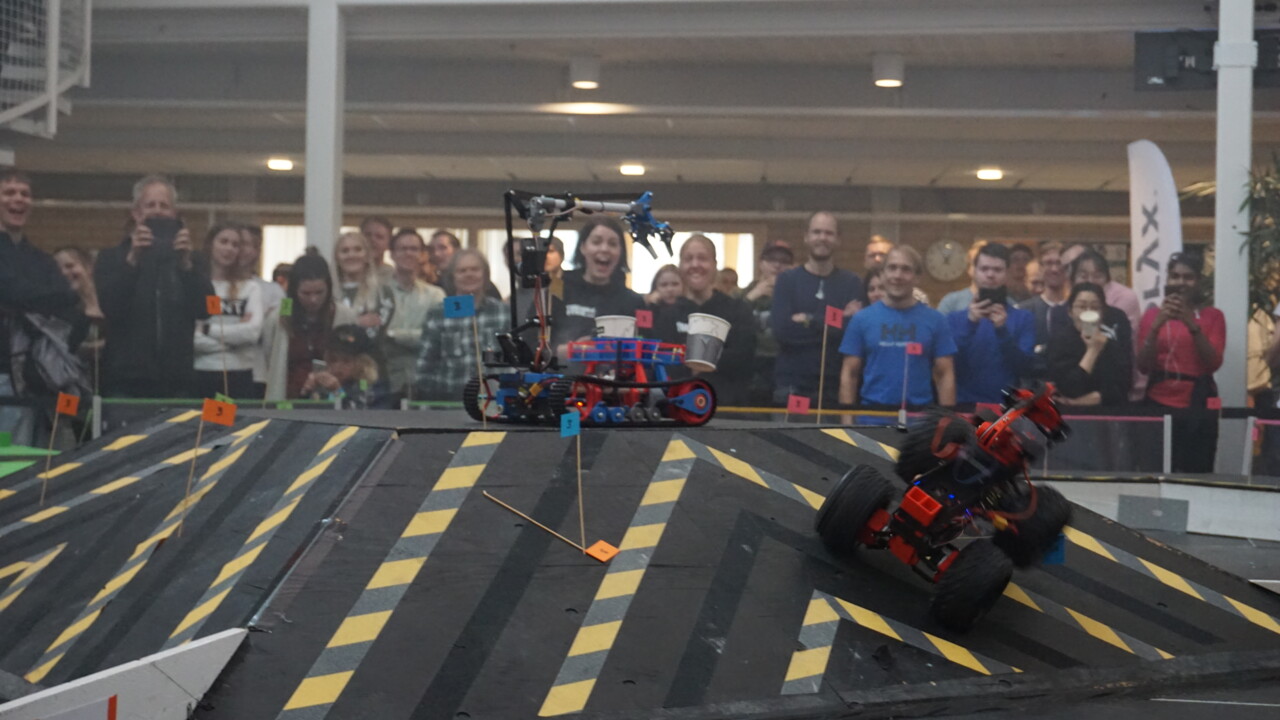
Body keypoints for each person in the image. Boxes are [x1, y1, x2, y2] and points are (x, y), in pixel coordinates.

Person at [95, 174, 214, 397]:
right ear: (136, 213)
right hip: (125, 380)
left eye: (164, 206)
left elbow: (208, 309)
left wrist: (186, 266)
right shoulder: (112, 258)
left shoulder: (193, 260)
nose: (158, 211)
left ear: (175, 213)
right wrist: (133, 260)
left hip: (178, 381)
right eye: (150, 205)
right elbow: (109, 307)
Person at [0, 170, 83, 445]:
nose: (18, 199)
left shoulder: (41, 260)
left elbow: (68, 308)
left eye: (25, 194)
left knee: (40, 460)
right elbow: (13, 290)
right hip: (4, 376)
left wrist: (31, 300)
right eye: (9, 193)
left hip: (41, 380)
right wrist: (53, 298)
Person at [1137, 251, 1225, 473]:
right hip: (1158, 402)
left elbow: (1213, 362)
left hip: (1198, 405)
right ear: (1167, 280)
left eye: (1188, 277)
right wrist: (1156, 326)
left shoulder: (1213, 316)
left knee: (1196, 472)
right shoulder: (1152, 316)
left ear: (1198, 281)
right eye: (1175, 276)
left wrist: (1191, 323)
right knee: (1154, 469)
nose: (1181, 282)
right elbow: (1143, 366)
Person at [839, 246, 955, 409]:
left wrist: (947, 419)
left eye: (906, 269)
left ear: (917, 277)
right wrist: (846, 416)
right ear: (882, 274)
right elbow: (849, 374)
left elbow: (944, 374)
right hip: (872, 415)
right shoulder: (861, 319)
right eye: (892, 268)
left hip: (920, 415)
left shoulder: (936, 320)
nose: (897, 275)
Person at [772, 212, 863, 405]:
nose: (822, 238)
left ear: (838, 239)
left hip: (836, 389)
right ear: (806, 237)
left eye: (829, 233)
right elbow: (782, 332)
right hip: (792, 389)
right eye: (817, 232)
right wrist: (838, 318)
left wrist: (809, 319)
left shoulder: (852, 283)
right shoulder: (787, 281)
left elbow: (852, 331)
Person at [653, 235, 757, 405]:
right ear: (681, 266)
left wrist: (695, 359)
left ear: (714, 265)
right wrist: (713, 357)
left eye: (702, 258)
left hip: (728, 407)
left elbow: (744, 358)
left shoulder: (737, 310)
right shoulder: (667, 315)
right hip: (679, 405)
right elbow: (664, 363)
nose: (695, 264)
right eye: (688, 259)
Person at [946, 243, 1037, 405]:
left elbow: (1025, 368)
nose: (990, 275)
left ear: (1007, 274)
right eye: (984, 269)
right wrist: (970, 324)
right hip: (964, 406)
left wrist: (1002, 331)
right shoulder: (954, 319)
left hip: (1007, 407)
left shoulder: (1024, 318)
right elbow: (947, 365)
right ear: (974, 271)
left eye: (997, 270)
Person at [415, 249, 508, 400]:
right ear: (452, 277)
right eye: (462, 271)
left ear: (485, 275)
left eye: (475, 269)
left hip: (495, 400)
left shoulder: (504, 312)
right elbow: (424, 367)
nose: (469, 274)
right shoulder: (438, 314)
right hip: (450, 402)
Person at [263, 255, 358, 401]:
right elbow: (269, 354)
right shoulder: (279, 317)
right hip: (288, 400)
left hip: (335, 399)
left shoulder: (345, 315)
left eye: (319, 292)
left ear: (329, 289)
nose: (313, 299)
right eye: (306, 293)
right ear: (294, 291)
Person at [549, 216, 645, 357]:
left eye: (613, 244)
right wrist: (573, 350)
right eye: (596, 242)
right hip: (562, 369)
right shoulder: (557, 287)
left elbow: (646, 347)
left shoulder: (633, 301)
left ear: (621, 252)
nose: (605, 249)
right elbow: (534, 343)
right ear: (583, 247)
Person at [192, 224, 265, 399]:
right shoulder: (195, 285)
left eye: (235, 245)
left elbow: (252, 333)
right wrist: (234, 342)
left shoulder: (250, 288)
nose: (229, 249)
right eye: (224, 242)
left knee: (235, 418)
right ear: (211, 244)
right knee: (208, 418)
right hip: (203, 371)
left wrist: (208, 329)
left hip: (239, 375)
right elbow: (190, 337)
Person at [1046, 283, 1133, 406]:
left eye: (1095, 307)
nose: (1088, 312)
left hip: (1106, 412)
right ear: (1070, 311)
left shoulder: (1112, 345)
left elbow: (1120, 389)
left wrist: (1077, 402)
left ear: (1102, 313)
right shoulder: (1059, 342)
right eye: (1082, 306)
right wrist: (1092, 351)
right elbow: (1069, 387)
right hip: (1067, 413)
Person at [382, 229, 445, 397]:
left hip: (424, 379)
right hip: (385, 378)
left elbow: (436, 337)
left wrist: (393, 335)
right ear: (392, 254)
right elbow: (377, 338)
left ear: (422, 254)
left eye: (414, 249)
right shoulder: (377, 292)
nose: (408, 253)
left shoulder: (436, 295)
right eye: (402, 249)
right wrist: (416, 337)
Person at [739, 244, 794, 403]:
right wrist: (753, 296)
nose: (777, 265)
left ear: (792, 267)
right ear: (761, 263)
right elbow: (731, 322)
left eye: (784, 261)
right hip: (751, 366)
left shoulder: (796, 294)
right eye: (771, 260)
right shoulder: (743, 293)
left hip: (785, 365)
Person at [238, 224, 285, 397]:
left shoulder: (275, 290)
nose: (240, 249)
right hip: (218, 373)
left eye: (246, 244)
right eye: (237, 244)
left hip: (259, 375)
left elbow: (285, 321)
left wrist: (253, 324)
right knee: (217, 414)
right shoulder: (212, 286)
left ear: (257, 250)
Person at [300, 325, 390, 409]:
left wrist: (337, 392)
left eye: (346, 361)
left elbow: (356, 415)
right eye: (333, 359)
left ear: (361, 364)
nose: (338, 367)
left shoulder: (366, 385)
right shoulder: (324, 384)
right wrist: (307, 392)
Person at [53, 247, 105, 380]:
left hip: (113, 381)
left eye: (70, 266)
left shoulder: (110, 299)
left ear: (89, 267)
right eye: (57, 270)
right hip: (74, 383)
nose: (64, 272)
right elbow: (65, 348)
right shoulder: (58, 310)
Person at [333, 231, 395, 343]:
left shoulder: (383, 293)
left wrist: (340, 325)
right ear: (337, 258)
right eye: (345, 251)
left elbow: (372, 336)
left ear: (367, 256)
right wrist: (357, 321)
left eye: (358, 249)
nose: (351, 255)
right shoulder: (327, 293)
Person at [1017, 242, 1069, 349]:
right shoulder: (1022, 310)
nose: (1054, 269)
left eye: (1059, 263)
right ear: (1040, 268)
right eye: (1049, 263)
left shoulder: (1076, 308)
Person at [936, 241, 988, 315]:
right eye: (977, 264)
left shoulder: (1005, 302)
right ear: (969, 269)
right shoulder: (951, 302)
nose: (988, 272)